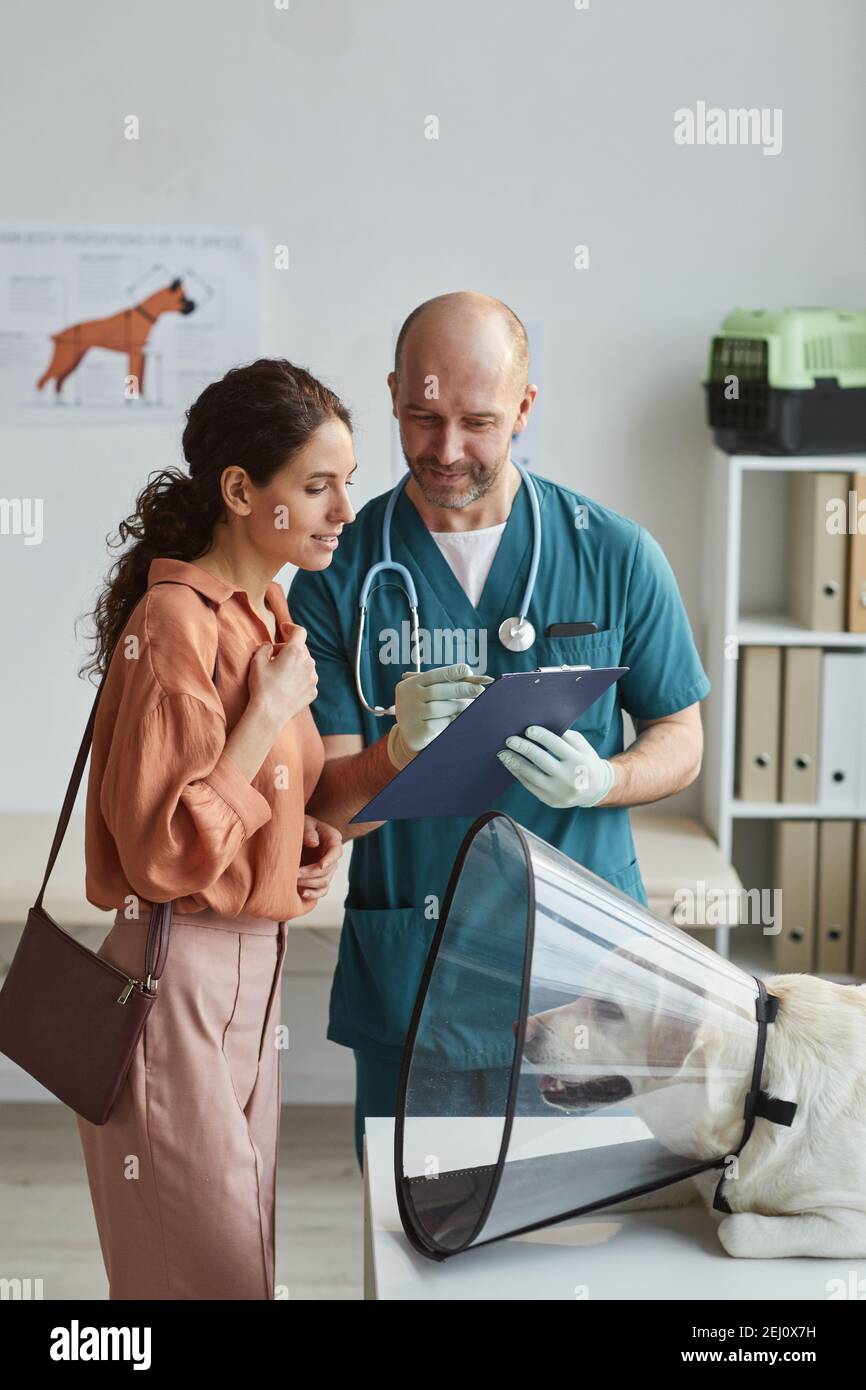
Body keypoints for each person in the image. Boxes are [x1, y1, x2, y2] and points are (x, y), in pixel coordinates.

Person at [288, 292, 711, 1171]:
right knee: (415, 1240)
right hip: (419, 971)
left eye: (479, 422)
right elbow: (328, 813)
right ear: (394, 394)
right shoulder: (339, 576)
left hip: (588, 980)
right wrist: (394, 755)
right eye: (423, 417)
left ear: (524, 408)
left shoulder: (615, 554)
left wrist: (608, 779)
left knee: (578, 1239)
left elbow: (681, 732)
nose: (447, 451)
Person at [76, 358, 355, 1299]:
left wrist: (297, 842)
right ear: (242, 490)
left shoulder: (268, 614)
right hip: (173, 972)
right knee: (203, 1282)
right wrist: (266, 714)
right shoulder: (175, 624)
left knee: (242, 1272)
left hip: (251, 969)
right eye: (317, 486)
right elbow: (161, 854)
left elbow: (260, 796)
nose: (342, 509)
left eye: (345, 483)